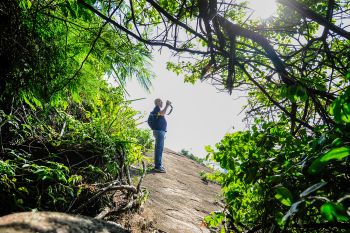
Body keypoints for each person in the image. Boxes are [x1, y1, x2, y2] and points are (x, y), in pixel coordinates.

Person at [151, 98, 171, 173]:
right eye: (160, 101)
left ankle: (158, 165)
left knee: (159, 148)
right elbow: (162, 113)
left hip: (159, 131)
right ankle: (158, 166)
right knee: (159, 149)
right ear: (157, 102)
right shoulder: (157, 108)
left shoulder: (157, 109)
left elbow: (161, 114)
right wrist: (167, 105)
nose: (162, 102)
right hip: (159, 131)